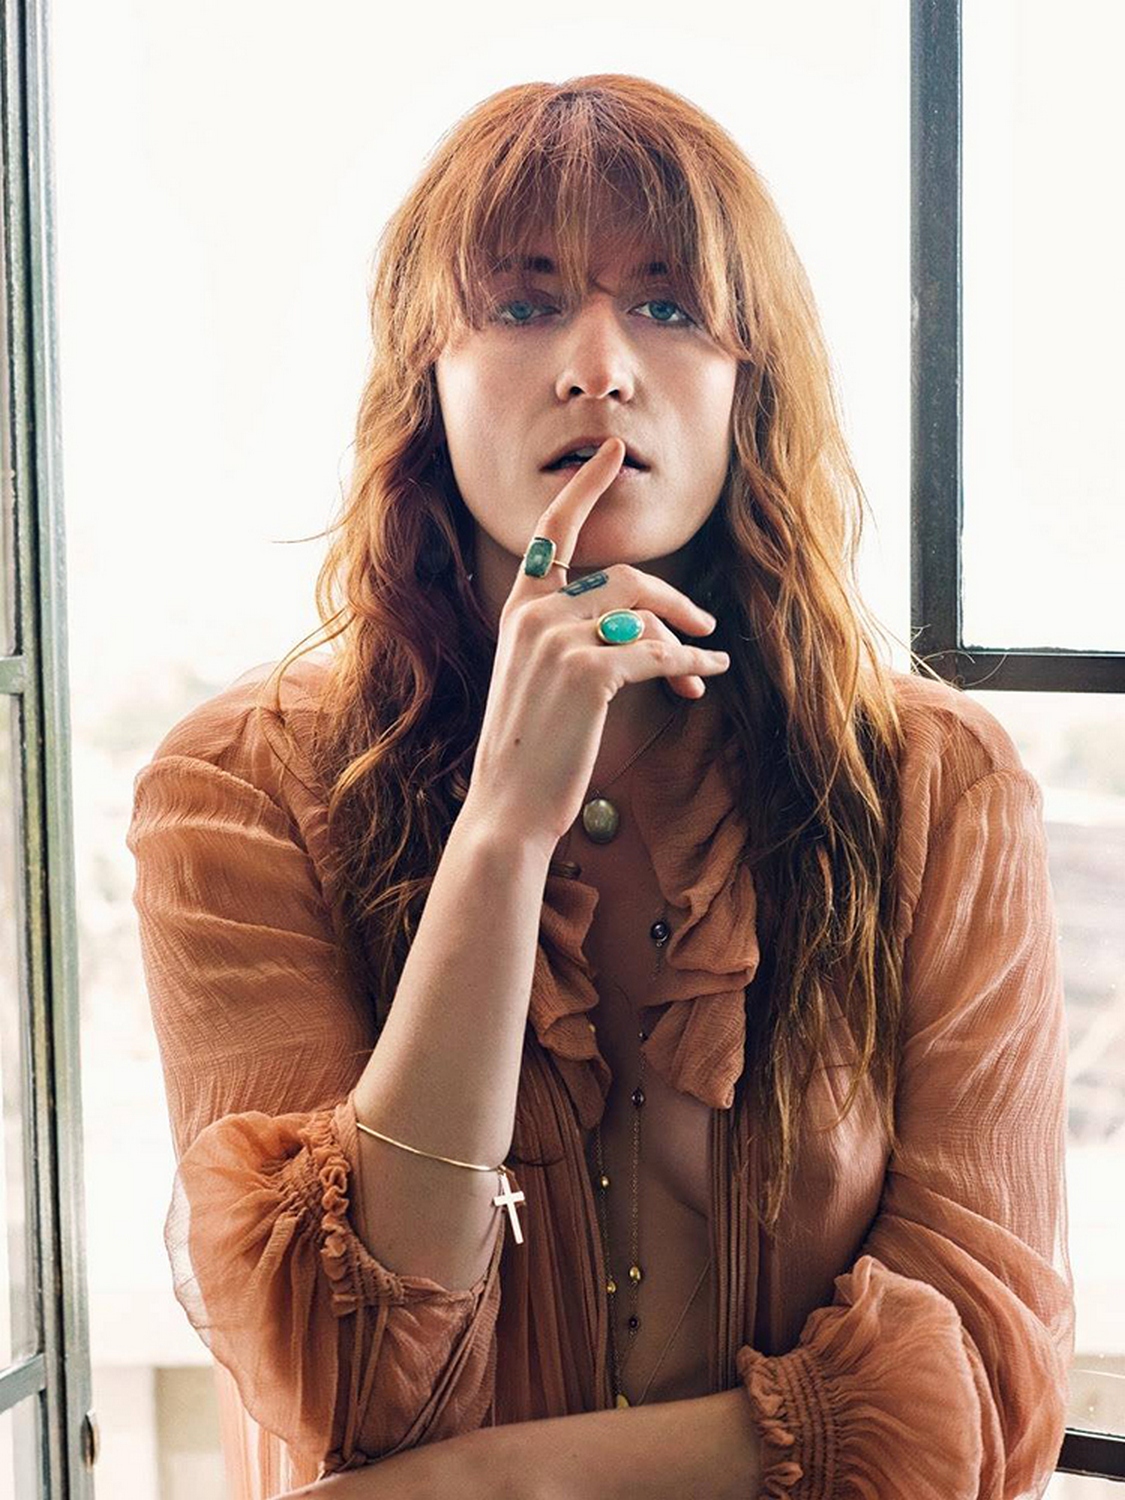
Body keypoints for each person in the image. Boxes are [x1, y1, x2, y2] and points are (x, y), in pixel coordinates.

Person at [126, 74, 1075, 1500]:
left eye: (669, 304)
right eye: (522, 303)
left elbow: (983, 1386)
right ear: (426, 378)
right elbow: (342, 1372)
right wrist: (502, 835)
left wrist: (479, 1486)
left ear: (749, 382)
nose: (598, 366)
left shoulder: (934, 787)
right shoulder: (240, 791)